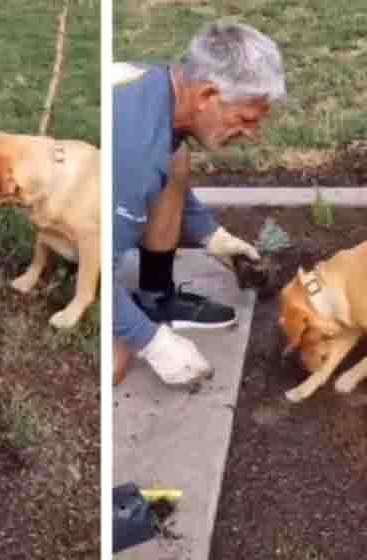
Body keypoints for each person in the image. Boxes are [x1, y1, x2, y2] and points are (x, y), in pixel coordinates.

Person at [111, 21, 286, 386]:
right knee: (115, 364)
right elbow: (97, 271)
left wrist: (213, 237)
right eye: (245, 120)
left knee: (176, 157)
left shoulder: (158, 86)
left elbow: (162, 172)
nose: (251, 135)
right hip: (81, 209)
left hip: (117, 169)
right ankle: (137, 320)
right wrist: (152, 343)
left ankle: (156, 298)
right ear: (207, 95)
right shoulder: (137, 156)